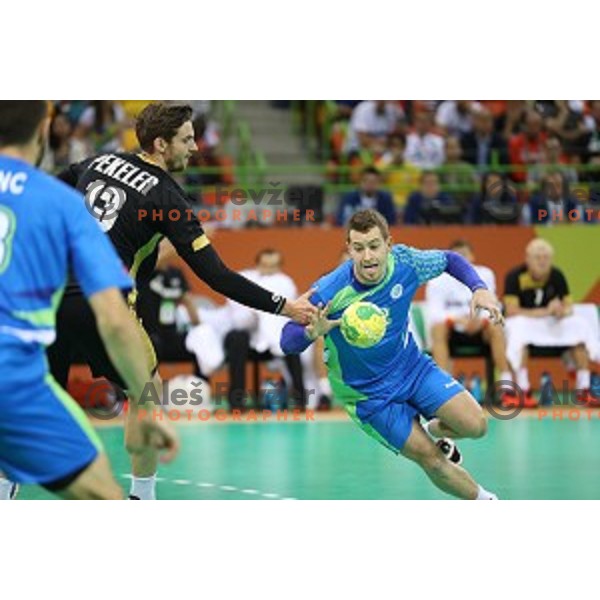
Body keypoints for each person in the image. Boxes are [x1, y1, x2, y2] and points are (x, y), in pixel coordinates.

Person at [49, 102, 316, 500]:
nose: (195, 148)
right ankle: (143, 496)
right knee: (146, 392)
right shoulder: (168, 197)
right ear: (161, 144)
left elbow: (59, 183)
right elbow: (218, 276)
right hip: (103, 306)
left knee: (34, 396)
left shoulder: (102, 160)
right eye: (187, 140)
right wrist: (287, 306)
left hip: (47, 295)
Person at [0, 101, 178, 500]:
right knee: (103, 496)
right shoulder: (60, 202)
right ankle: (141, 498)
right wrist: (147, 402)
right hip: (12, 370)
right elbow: (114, 319)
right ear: (44, 131)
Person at [280, 209, 503, 500]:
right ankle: (488, 502)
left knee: (477, 426)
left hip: (412, 368)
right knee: (431, 459)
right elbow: (287, 340)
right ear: (349, 249)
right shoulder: (330, 290)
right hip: (367, 395)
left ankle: (433, 428)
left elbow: (450, 259)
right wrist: (311, 331)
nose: (367, 256)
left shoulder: (406, 262)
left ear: (389, 243)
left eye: (374, 245)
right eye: (358, 248)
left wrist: (479, 288)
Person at [503, 239, 600, 408]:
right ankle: (523, 390)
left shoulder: (557, 275)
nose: (542, 261)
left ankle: (583, 390)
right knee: (518, 331)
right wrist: (545, 312)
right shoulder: (514, 277)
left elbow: (568, 305)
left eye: (546, 257)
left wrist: (562, 310)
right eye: (538, 257)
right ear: (527, 258)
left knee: (579, 329)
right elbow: (511, 310)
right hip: (526, 324)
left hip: (551, 324)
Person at [425, 240, 512, 388]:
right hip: (452, 330)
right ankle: (443, 386)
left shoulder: (485, 274)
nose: (461, 261)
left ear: (472, 257)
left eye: (464, 255)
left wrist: (481, 321)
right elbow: (434, 313)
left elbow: (493, 305)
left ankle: (507, 384)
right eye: (456, 257)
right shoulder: (437, 280)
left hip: (481, 329)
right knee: (437, 329)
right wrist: (456, 320)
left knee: (496, 326)